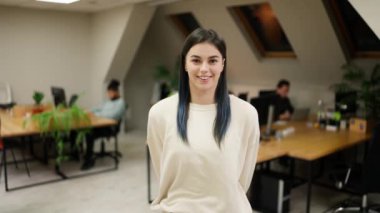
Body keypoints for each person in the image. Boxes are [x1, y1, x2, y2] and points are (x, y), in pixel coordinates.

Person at [147, 28, 260, 213]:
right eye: (196, 60)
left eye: (213, 60)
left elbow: (242, 178)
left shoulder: (246, 114)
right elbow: (164, 172)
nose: (204, 69)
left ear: (222, 64)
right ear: (185, 63)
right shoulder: (160, 113)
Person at [81, 79, 125, 170]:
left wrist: (96, 115)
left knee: (89, 133)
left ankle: (89, 160)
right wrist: (87, 111)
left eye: (110, 93)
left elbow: (112, 116)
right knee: (85, 130)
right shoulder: (108, 102)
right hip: (102, 124)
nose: (108, 95)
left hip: (110, 127)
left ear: (116, 92)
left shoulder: (121, 103)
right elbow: (98, 108)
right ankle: (86, 155)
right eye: (108, 93)